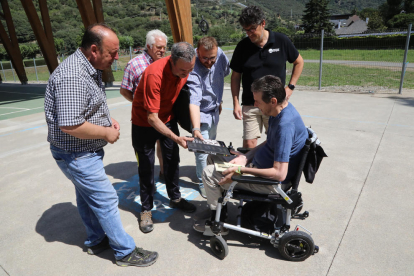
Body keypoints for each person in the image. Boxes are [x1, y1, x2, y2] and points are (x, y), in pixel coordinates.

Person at [44, 23, 158, 267]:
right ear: (93, 49)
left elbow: (84, 107)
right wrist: (105, 132)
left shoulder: (88, 66)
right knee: (106, 199)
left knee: (86, 197)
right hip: (76, 152)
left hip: (80, 150)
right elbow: (70, 124)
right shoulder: (73, 75)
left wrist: (106, 119)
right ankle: (125, 252)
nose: (116, 58)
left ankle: (96, 240)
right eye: (112, 53)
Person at [194, 75, 308, 234]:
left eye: (258, 102)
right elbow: (269, 143)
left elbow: (279, 174)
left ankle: (216, 224)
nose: (255, 105)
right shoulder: (281, 111)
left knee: (208, 173)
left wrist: (240, 171)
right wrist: (245, 157)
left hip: (271, 184)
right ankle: (221, 210)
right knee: (213, 157)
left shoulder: (285, 126)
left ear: (273, 101)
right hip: (260, 166)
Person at [132, 42, 197, 234]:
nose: (187, 74)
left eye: (191, 69)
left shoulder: (184, 69)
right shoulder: (155, 74)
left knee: (171, 159)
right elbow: (152, 117)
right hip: (144, 123)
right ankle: (146, 210)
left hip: (167, 118)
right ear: (171, 61)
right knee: (146, 166)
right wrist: (176, 137)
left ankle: (175, 197)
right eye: (183, 70)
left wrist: (195, 128)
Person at [230, 5, 304, 149]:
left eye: (252, 28)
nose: (249, 33)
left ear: (263, 23)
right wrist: (236, 103)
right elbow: (235, 76)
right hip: (251, 103)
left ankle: (273, 170)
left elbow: (299, 62)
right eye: (246, 30)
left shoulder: (281, 41)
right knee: (249, 145)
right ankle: (252, 171)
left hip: (274, 104)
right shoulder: (242, 46)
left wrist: (290, 87)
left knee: (276, 142)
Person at [120, 30, 168, 180]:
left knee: (163, 147)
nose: (162, 51)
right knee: (146, 153)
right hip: (144, 118)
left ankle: (163, 173)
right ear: (148, 46)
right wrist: (139, 103)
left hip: (163, 115)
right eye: (159, 47)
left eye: (164, 47)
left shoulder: (165, 63)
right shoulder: (134, 64)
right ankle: (148, 182)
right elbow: (124, 90)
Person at [187, 36, 230, 198]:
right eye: (204, 58)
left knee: (211, 145)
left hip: (214, 111)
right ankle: (202, 182)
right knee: (201, 151)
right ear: (198, 52)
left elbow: (225, 72)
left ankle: (209, 174)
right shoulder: (193, 68)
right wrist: (196, 127)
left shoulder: (220, 55)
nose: (209, 61)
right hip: (201, 113)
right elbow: (194, 101)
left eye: (212, 58)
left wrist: (218, 100)